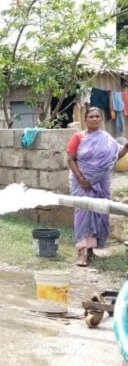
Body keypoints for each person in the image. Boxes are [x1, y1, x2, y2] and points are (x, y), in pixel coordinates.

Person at [66, 107, 127, 266]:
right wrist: (81, 179)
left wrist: (126, 148)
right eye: (91, 116)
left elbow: (115, 156)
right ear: (85, 120)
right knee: (83, 215)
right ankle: (81, 252)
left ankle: (91, 250)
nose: (94, 119)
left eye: (97, 116)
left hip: (101, 183)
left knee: (99, 213)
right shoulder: (78, 137)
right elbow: (71, 159)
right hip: (81, 184)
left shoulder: (107, 138)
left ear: (101, 119)